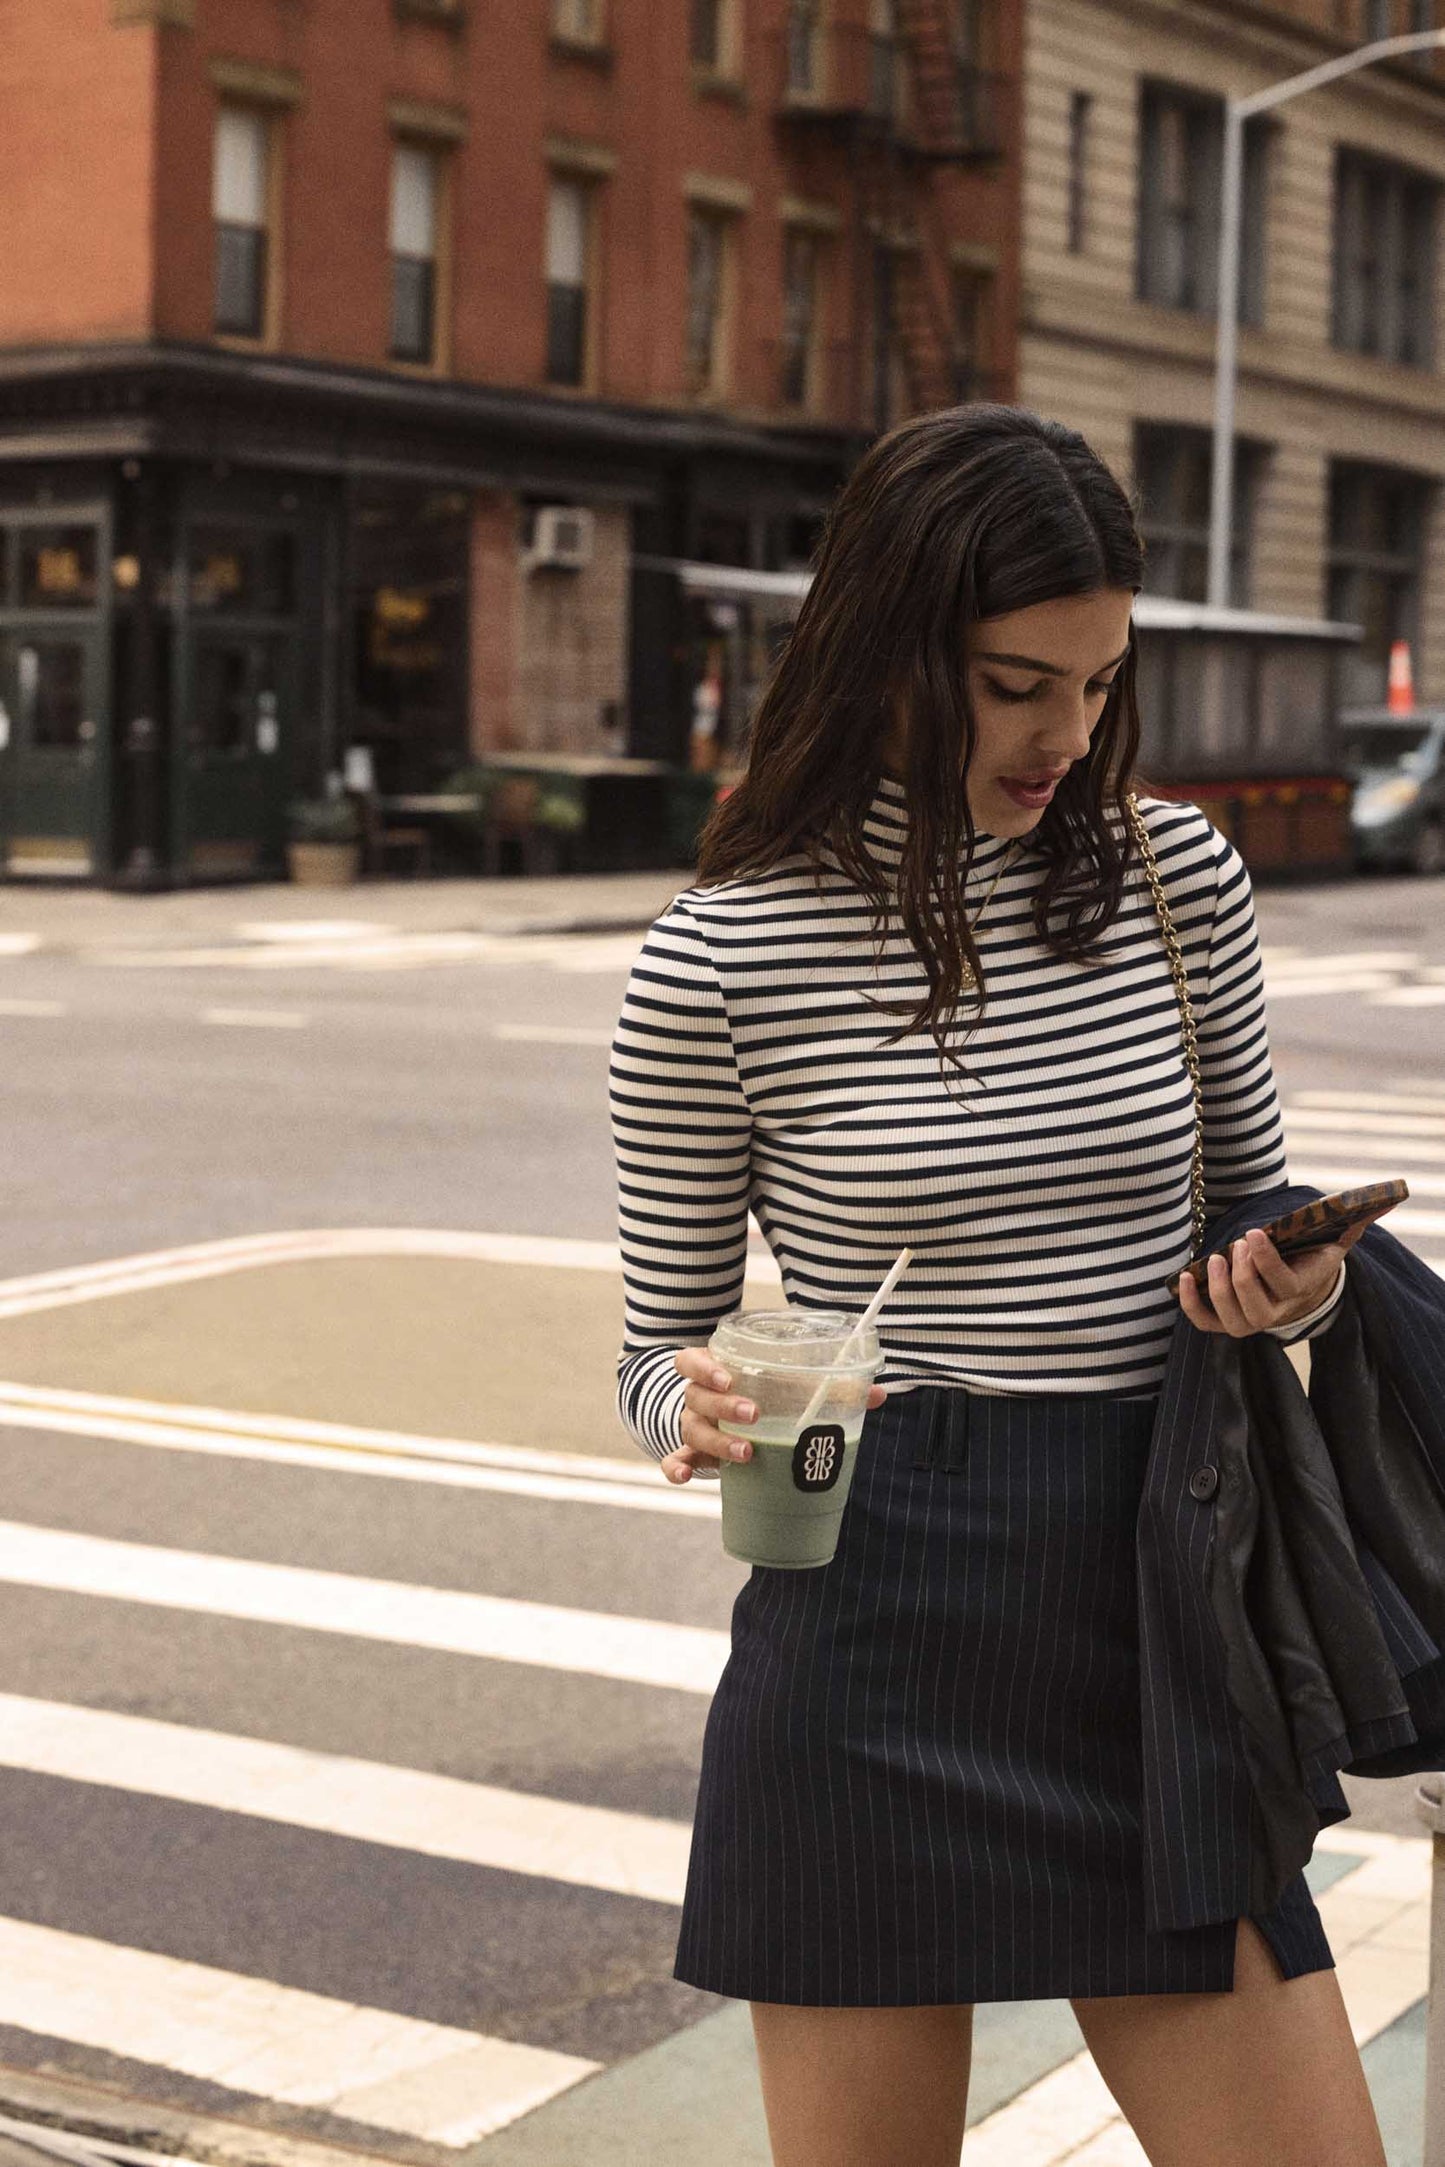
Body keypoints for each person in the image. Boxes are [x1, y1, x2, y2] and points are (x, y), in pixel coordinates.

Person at [609, 406, 1381, 2167]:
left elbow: (1262, 1222)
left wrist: (1289, 1288)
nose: (1067, 735)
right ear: (888, 649)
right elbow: (658, 1346)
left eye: (1100, 685)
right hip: (869, 1613)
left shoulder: (1175, 879)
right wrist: (699, 1407)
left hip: (1151, 1597)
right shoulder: (719, 959)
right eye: (1016, 683)